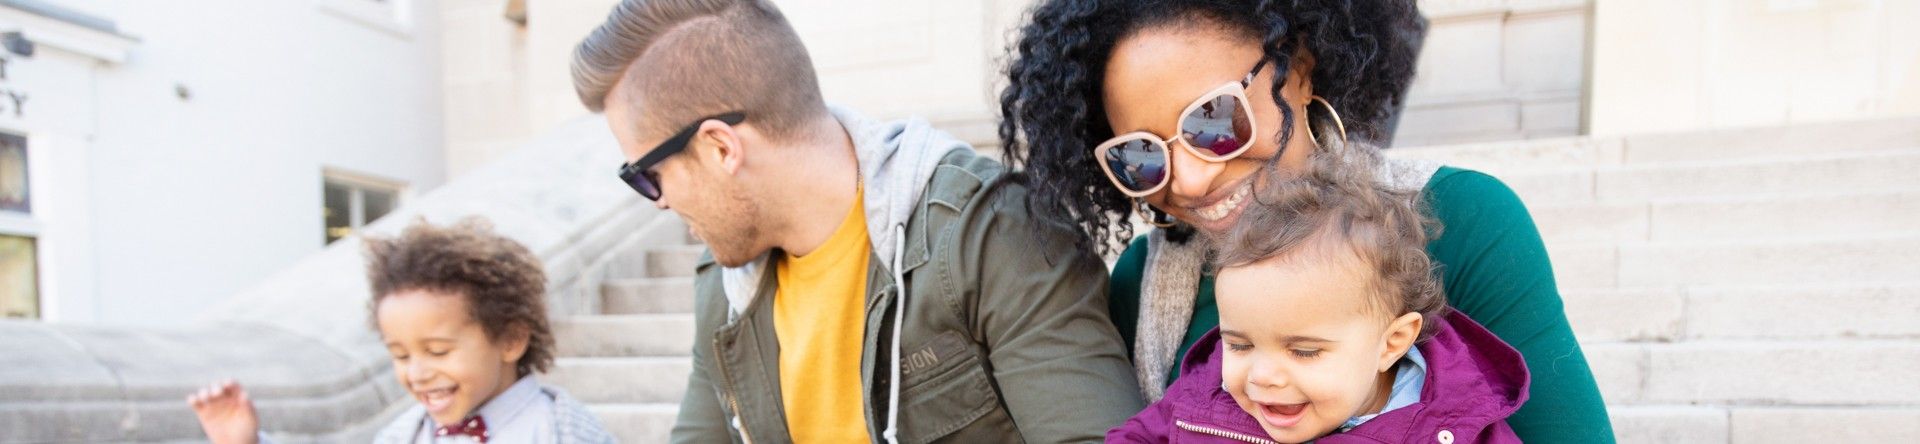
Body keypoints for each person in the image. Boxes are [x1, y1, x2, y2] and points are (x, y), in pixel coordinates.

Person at [997, 0, 1614, 441]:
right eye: (1140, 154)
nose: (1186, 180)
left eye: (1211, 121)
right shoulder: (1140, 280)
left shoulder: (1464, 219)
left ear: (1300, 69)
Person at [568, 0, 1142, 442]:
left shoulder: (990, 232)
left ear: (721, 149)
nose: (659, 201)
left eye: (647, 174)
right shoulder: (724, 289)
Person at [1108, 146, 1527, 444]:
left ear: (1392, 343)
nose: (1262, 377)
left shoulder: (1455, 426)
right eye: (1239, 343)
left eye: (1304, 351)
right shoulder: (1207, 390)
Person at [186, 218, 614, 443]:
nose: (418, 372)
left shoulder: (564, 430)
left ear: (511, 339)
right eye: (401, 355)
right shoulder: (404, 433)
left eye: (438, 350)